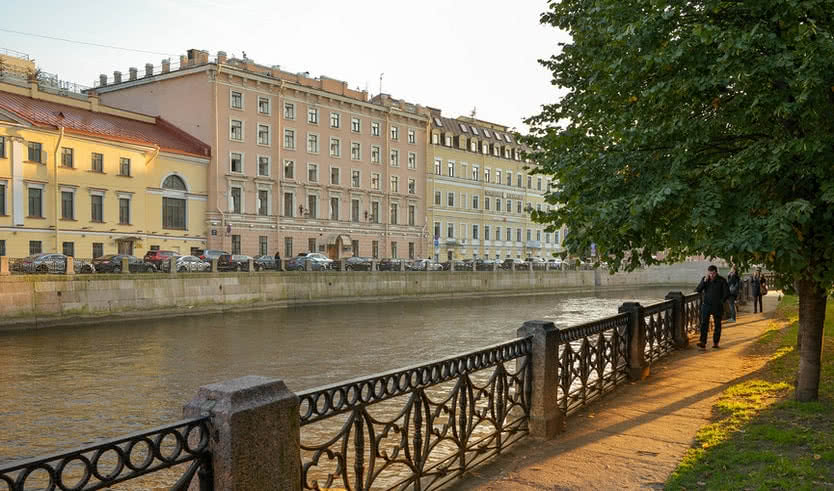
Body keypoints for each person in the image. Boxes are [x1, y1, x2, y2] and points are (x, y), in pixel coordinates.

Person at [695, 265, 729, 349]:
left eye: (713, 273)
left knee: (717, 324)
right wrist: (704, 282)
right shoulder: (705, 279)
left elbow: (727, 293)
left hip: (717, 306)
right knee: (704, 323)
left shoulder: (722, 280)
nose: (711, 275)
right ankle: (703, 342)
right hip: (706, 305)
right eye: (710, 273)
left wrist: (721, 301)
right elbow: (698, 290)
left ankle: (715, 342)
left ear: (716, 272)